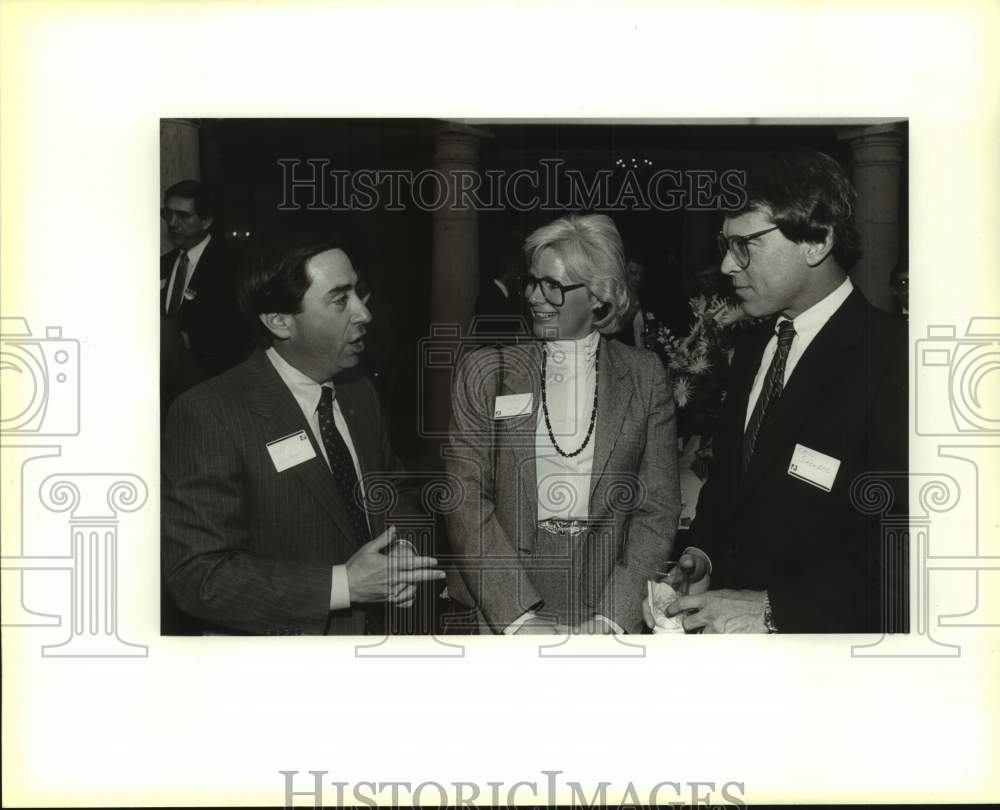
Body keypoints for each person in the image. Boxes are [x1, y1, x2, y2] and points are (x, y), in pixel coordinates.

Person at [651, 149, 908, 633]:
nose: (728, 265)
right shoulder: (752, 347)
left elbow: (908, 557)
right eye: (725, 244)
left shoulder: (896, 360)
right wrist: (702, 552)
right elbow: (732, 479)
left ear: (817, 240)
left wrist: (773, 610)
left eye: (746, 244)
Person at [162, 237, 444, 634]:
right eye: (339, 299)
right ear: (279, 321)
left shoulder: (358, 391)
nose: (364, 312)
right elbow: (198, 578)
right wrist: (344, 585)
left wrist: (404, 550)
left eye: (358, 292)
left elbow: (394, 490)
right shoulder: (210, 414)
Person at [446, 214, 681, 634]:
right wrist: (517, 617)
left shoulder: (645, 376)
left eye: (553, 286)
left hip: (604, 598)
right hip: (500, 601)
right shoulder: (486, 370)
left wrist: (614, 616)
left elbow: (656, 510)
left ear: (599, 298)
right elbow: (465, 498)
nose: (536, 296)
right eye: (533, 282)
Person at [160, 180, 251, 414]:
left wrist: (191, 340)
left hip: (211, 388)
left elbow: (244, 330)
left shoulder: (233, 264)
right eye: (167, 214)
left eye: (183, 216)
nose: (172, 223)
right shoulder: (162, 265)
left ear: (207, 220)